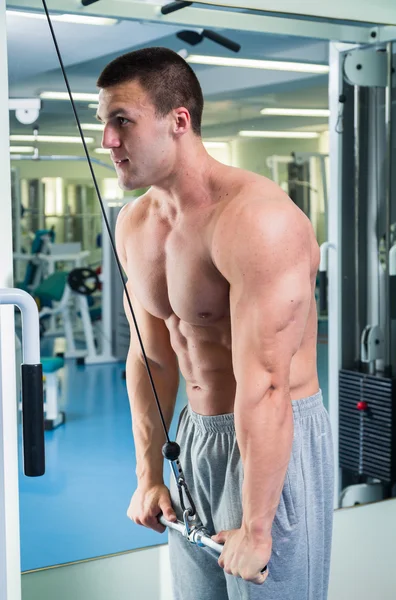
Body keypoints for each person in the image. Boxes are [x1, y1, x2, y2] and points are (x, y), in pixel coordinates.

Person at [96, 47, 334, 600]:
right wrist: (148, 474)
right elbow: (151, 357)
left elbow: (267, 383)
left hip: (275, 437)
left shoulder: (258, 221)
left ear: (178, 121)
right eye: (104, 123)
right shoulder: (136, 224)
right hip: (196, 437)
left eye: (122, 121)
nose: (108, 140)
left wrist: (256, 527)